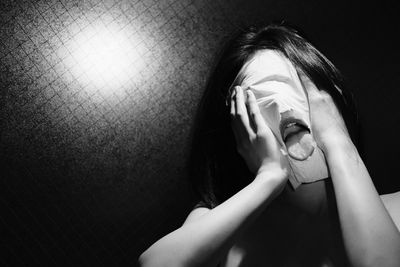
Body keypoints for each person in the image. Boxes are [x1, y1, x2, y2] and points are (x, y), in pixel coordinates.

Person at [138, 23, 400, 267]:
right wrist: (270, 176)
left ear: (331, 102)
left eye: (296, 90)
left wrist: (339, 143)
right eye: (260, 99)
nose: (280, 106)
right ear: (238, 129)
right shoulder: (221, 227)